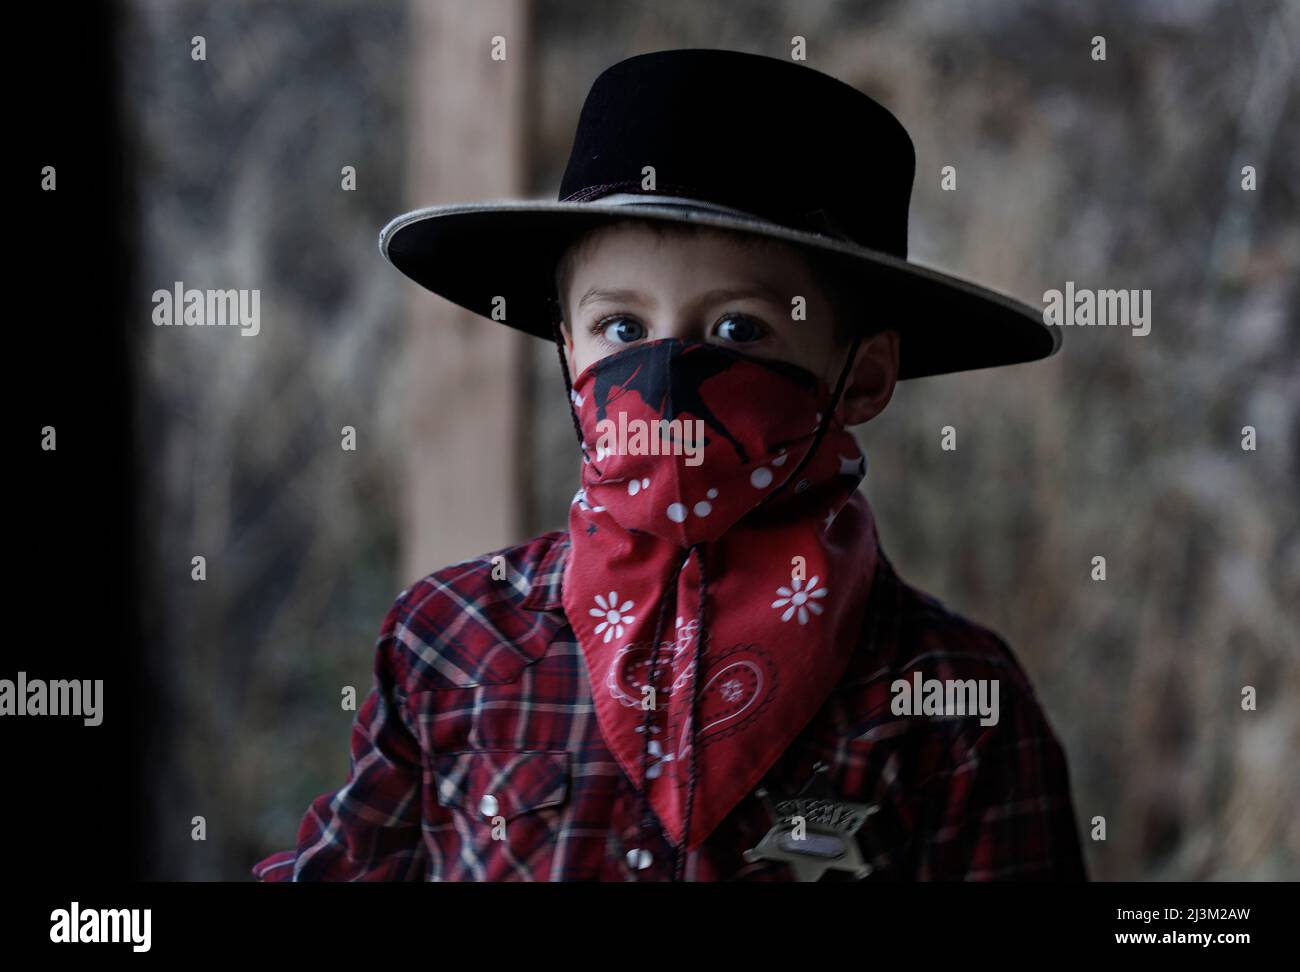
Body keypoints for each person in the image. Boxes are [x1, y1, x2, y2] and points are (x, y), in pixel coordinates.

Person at [252, 48, 1086, 882]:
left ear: (860, 376)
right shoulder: (452, 642)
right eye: (620, 328)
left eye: (738, 330)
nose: (664, 377)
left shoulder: (953, 703)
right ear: (566, 347)